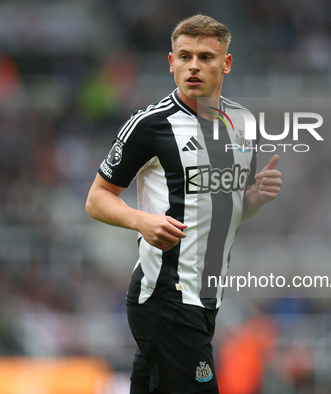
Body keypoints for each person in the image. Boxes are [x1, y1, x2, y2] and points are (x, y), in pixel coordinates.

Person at [85, 14, 282, 394]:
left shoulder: (242, 123)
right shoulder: (150, 125)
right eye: (185, 56)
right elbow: (97, 199)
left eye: (206, 57)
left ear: (225, 63)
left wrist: (256, 197)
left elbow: (227, 210)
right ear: (170, 62)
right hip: (166, 297)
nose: (194, 66)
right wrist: (141, 221)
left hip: (206, 299)